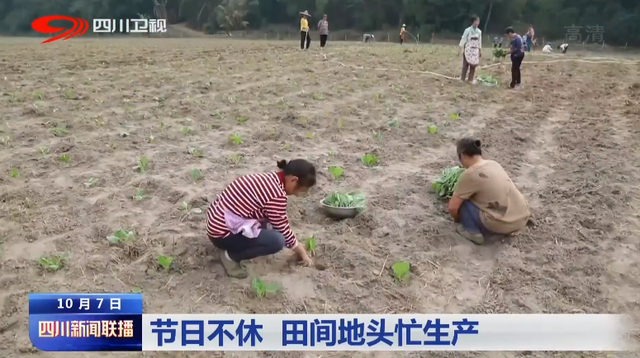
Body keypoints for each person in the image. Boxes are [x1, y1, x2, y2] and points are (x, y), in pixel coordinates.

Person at [206, 159, 316, 278]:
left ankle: (236, 246)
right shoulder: (276, 194)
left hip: (216, 221)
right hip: (222, 234)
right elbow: (282, 227)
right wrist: (300, 250)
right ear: (293, 180)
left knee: (272, 229)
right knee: (277, 241)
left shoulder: (270, 178)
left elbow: (272, 217)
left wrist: (293, 243)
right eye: (301, 190)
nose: (298, 194)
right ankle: (230, 256)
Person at [447, 138, 530, 245]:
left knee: (463, 203)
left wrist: (459, 219)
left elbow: (452, 207)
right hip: (521, 218)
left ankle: (472, 232)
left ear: (462, 155)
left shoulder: (470, 174)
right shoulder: (493, 164)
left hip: (503, 223)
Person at [458, 15, 482, 84]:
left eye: (478, 21)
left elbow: (479, 41)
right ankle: (462, 79)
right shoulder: (467, 30)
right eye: (476, 21)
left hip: (475, 50)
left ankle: (470, 79)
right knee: (465, 65)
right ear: (473, 22)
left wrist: (480, 50)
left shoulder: (479, 32)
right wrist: (460, 48)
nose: (477, 23)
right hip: (468, 50)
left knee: (473, 65)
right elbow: (463, 39)